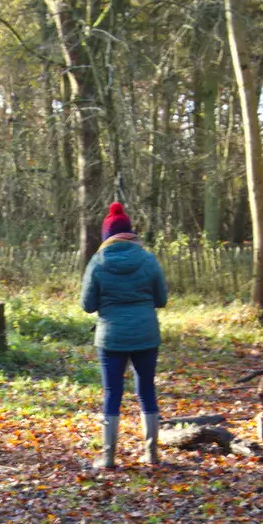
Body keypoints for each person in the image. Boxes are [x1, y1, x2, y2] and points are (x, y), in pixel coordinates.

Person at [81, 201, 168, 469]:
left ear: (107, 236)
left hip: (111, 337)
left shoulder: (97, 262)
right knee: (146, 391)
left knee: (112, 392)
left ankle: (108, 457)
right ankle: (151, 454)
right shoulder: (148, 259)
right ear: (131, 233)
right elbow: (161, 299)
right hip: (145, 333)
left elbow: (87, 305)